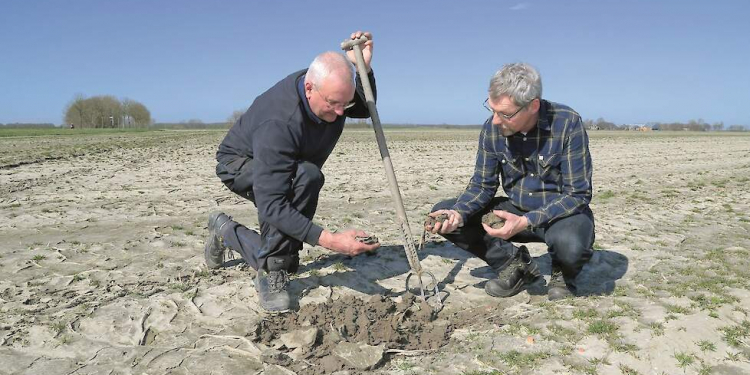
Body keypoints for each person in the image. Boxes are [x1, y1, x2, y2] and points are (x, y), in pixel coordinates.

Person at [205, 31, 380, 312]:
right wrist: (332, 241)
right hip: (241, 164)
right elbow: (273, 204)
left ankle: (226, 230)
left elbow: (362, 108)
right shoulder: (279, 123)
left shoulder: (331, 92)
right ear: (310, 89)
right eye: (332, 104)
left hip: (294, 166)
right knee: (300, 183)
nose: (339, 113)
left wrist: (363, 67)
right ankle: (271, 273)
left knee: (307, 179)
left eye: (343, 104)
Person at [426, 63, 595, 301]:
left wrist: (526, 221)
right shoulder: (492, 129)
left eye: (505, 114)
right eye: (492, 110)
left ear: (533, 105)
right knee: (448, 213)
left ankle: (563, 273)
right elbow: (482, 186)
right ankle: (515, 266)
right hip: (515, 209)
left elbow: (578, 194)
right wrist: (457, 213)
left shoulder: (567, 123)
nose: (495, 121)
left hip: (561, 215)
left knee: (570, 242)